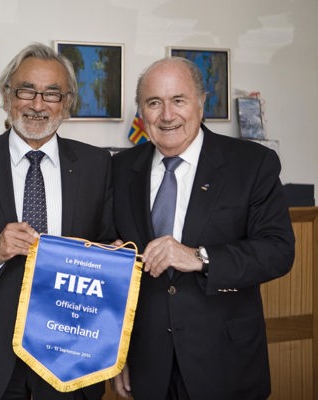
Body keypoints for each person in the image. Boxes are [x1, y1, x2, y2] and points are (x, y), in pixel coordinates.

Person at [0, 43, 114, 400]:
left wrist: (111, 256)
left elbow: (108, 243)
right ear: (6, 95)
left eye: (52, 93)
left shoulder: (96, 164)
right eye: (26, 90)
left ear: (67, 102)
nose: (38, 104)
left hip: (71, 353)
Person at [110, 56, 295, 399]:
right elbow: (110, 260)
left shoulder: (251, 163)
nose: (167, 115)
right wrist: (118, 353)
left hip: (225, 363)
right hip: (148, 365)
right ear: (141, 111)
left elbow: (277, 251)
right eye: (154, 103)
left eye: (178, 100)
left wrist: (198, 257)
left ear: (201, 102)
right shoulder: (120, 169)